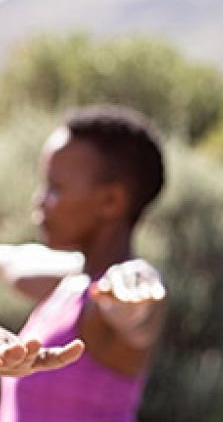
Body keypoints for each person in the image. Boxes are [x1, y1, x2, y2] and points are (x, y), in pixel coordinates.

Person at [0, 105, 167, 422]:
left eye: (55, 187)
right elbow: (15, 261)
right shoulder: (74, 280)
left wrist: (135, 300)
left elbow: (139, 313)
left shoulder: (115, 295)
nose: (40, 200)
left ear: (110, 202)